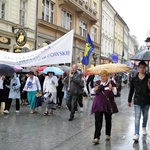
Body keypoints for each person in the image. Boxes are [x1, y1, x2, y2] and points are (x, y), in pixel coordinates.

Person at [91, 70, 118, 144]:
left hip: (107, 105)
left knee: (108, 120)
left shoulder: (111, 83)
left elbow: (116, 93)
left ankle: (108, 134)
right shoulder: (97, 83)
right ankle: (96, 137)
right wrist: (95, 89)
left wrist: (112, 88)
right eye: (101, 76)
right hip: (98, 105)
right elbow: (92, 92)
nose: (103, 77)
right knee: (98, 121)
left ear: (107, 76)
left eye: (104, 76)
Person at [128, 61, 150, 142]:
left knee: (146, 115)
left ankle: (144, 126)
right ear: (138, 68)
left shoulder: (148, 78)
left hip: (147, 100)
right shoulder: (134, 79)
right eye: (141, 67)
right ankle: (136, 133)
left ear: (146, 68)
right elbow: (131, 90)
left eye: (144, 67)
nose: (142, 69)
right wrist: (129, 100)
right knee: (137, 117)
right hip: (137, 100)